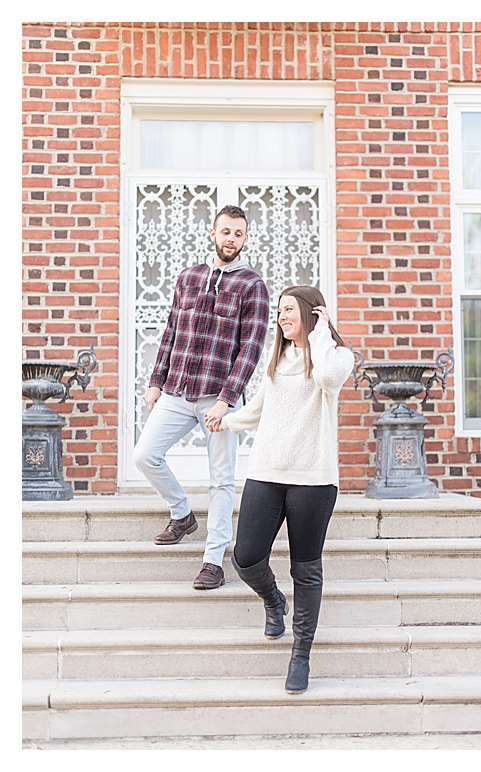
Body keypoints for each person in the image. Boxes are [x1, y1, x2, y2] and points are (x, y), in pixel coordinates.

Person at [209, 285, 354, 694]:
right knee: (246, 555)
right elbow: (259, 408)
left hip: (313, 478)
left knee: (305, 569)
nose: (281, 316)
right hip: (267, 472)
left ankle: (301, 653)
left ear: (311, 312)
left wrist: (321, 332)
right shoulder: (277, 360)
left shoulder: (336, 357)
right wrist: (227, 420)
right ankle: (274, 601)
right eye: (279, 311)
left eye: (289, 309)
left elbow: (325, 377)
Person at [134, 204, 269, 590]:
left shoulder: (252, 285)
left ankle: (213, 561)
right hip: (178, 389)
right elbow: (171, 331)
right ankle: (182, 514)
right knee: (144, 455)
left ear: (245, 239)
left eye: (238, 233)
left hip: (220, 399)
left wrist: (227, 400)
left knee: (222, 481)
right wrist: (155, 381)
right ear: (213, 233)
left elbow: (251, 349)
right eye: (225, 231)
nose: (231, 239)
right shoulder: (188, 277)